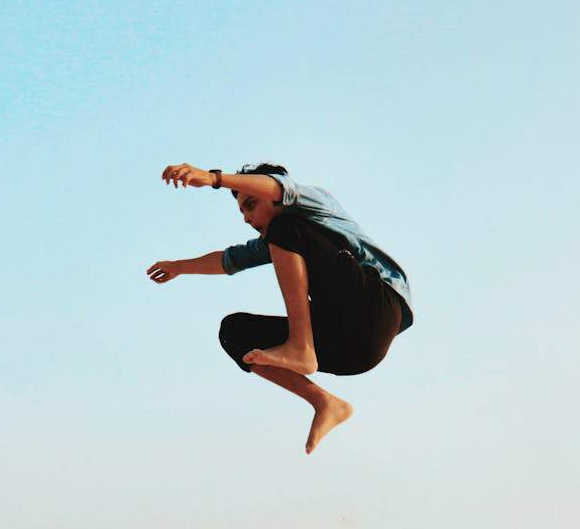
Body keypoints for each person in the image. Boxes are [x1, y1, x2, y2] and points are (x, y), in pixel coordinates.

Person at [147, 162, 414, 454]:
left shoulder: (314, 204)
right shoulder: (279, 241)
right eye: (243, 212)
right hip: (352, 352)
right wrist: (178, 267)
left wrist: (213, 179)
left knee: (285, 226)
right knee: (235, 331)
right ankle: (324, 402)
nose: (247, 218)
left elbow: (279, 189)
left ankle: (301, 346)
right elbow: (229, 260)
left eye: (251, 205)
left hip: (376, 310)